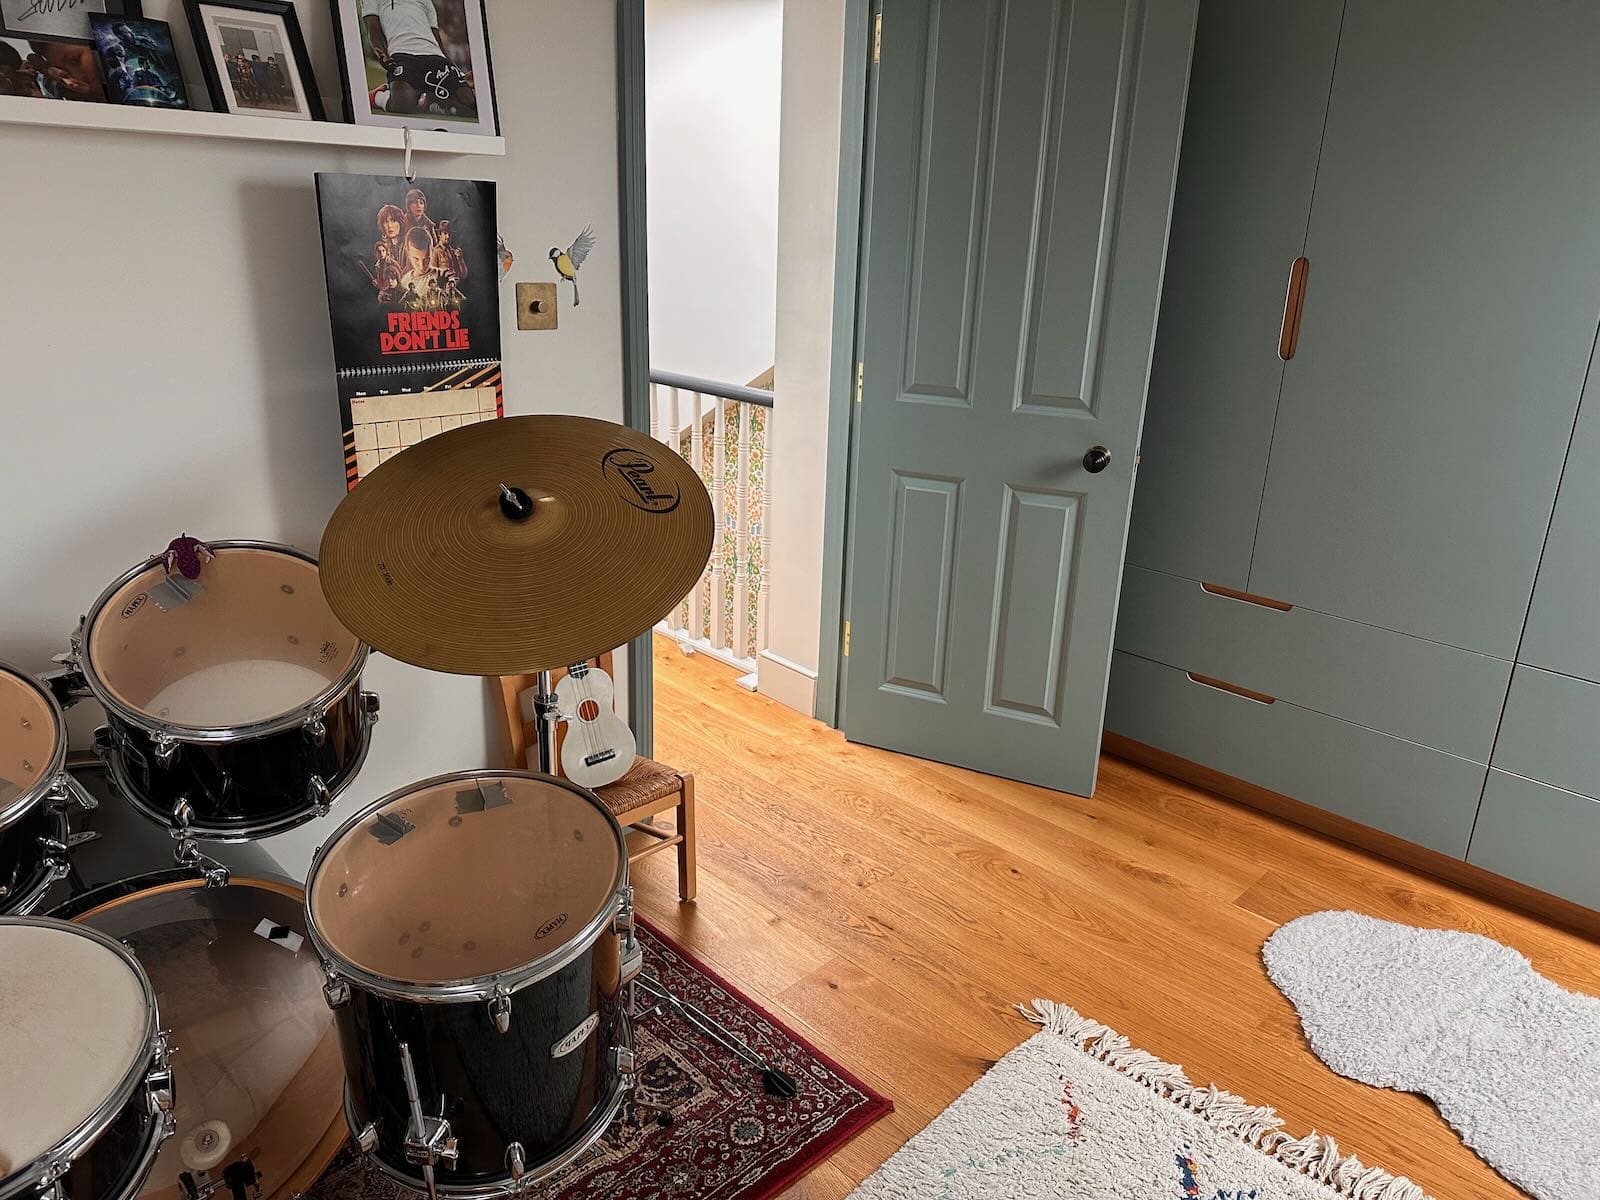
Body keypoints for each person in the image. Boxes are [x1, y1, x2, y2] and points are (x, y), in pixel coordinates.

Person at [360, 0, 477, 118]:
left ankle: (427, 101)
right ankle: (379, 96)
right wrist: (381, 53)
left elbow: (437, 39)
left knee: (470, 103)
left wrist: (460, 74)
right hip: (403, 55)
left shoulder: (427, 2)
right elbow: (373, 29)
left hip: (434, 56)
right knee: (403, 104)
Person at [373, 203, 407, 285]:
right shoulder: (384, 247)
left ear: (400, 222)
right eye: (385, 222)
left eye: (393, 221)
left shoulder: (408, 245)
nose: (389, 226)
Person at [431, 219, 468, 284]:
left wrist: (460, 259)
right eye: (445, 233)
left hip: (456, 286)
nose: (448, 236)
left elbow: (464, 274)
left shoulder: (454, 252)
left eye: (450, 234)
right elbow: (432, 274)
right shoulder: (435, 252)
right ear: (439, 234)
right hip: (444, 286)